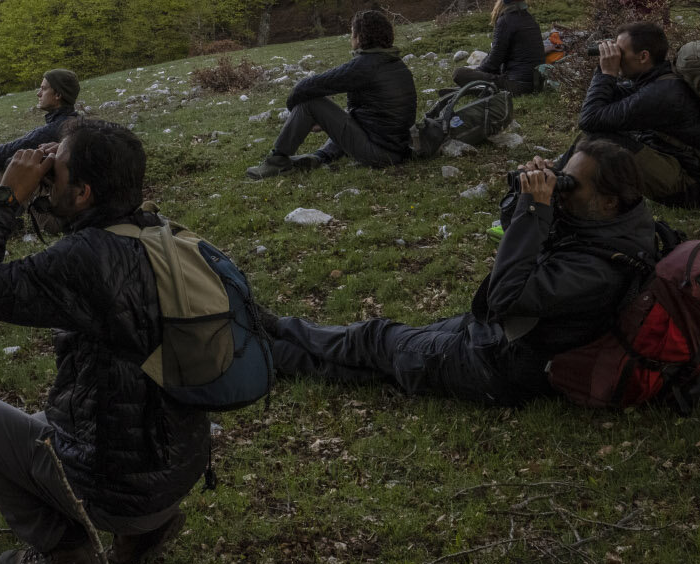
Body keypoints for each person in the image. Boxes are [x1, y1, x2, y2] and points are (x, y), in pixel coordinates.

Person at [0, 119, 210, 564]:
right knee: (61, 410)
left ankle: (67, 557)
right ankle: (140, 534)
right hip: (178, 470)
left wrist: (7, 197)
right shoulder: (158, 233)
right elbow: (72, 219)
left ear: (84, 193)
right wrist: (62, 166)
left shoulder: (83, 260)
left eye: (57, 169)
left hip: (120, 489)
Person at [269, 138, 655, 405]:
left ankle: (275, 329)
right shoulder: (612, 225)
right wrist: (527, 198)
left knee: (377, 338)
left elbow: (504, 295)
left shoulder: (600, 269)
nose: (561, 190)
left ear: (606, 202)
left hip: (501, 364)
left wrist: (536, 210)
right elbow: (522, 230)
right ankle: (276, 355)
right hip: (509, 338)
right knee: (389, 362)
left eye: (571, 185)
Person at [576, 21, 700, 209]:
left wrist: (608, 74)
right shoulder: (657, 80)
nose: (616, 57)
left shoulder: (663, 93)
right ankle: (560, 180)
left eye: (621, 52)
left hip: (696, 189)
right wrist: (603, 71)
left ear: (643, 56)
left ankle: (565, 188)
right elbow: (604, 103)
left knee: (598, 139)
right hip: (686, 169)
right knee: (593, 137)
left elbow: (590, 120)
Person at [245, 9, 415, 180]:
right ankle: (320, 157)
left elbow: (305, 87)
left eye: (351, 33)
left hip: (379, 153)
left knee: (310, 102)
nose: (350, 38)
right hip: (398, 149)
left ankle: (277, 160)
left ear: (359, 37)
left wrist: (299, 112)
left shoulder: (365, 66)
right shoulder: (395, 63)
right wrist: (327, 120)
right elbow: (372, 115)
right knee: (348, 114)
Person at [452, 0, 545, 95]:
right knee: (489, 64)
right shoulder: (529, 18)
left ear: (503, 0)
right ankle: (479, 85)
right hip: (534, 83)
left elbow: (494, 61)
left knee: (459, 73)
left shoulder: (505, 20)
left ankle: (476, 88)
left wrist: (476, 73)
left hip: (517, 85)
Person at [0, 69, 83, 174]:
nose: (38, 94)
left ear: (58, 95)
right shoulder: (80, 122)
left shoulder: (52, 130)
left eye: (43, 89)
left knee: (9, 163)